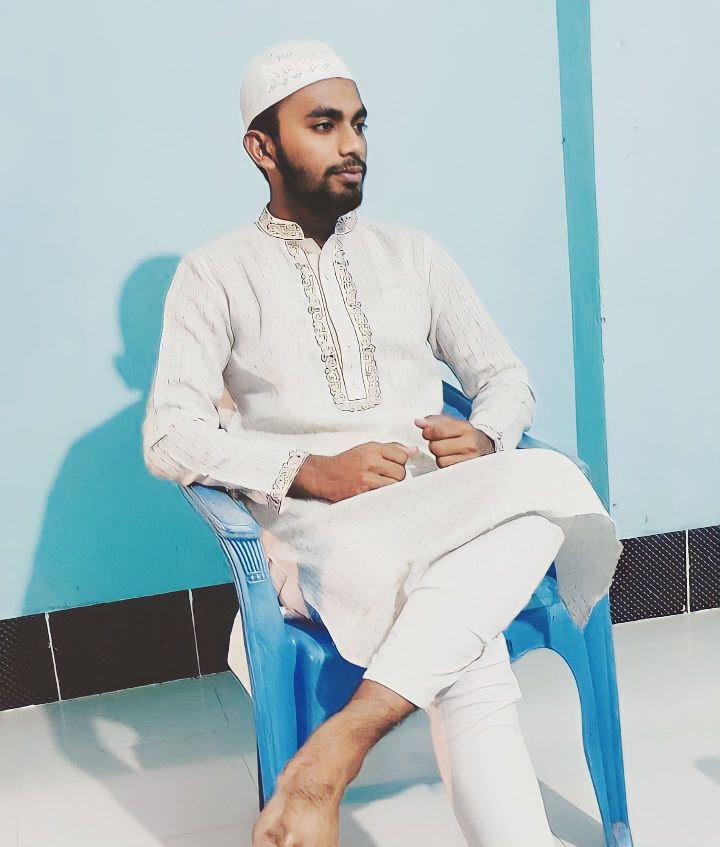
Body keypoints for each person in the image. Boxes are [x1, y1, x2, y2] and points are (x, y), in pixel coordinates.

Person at [142, 40, 622, 847]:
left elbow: (505, 377)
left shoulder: (413, 256)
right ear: (262, 148)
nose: (352, 144)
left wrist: (486, 432)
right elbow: (171, 434)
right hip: (322, 533)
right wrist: (308, 470)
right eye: (324, 124)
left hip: (440, 504)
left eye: (359, 124)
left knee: (547, 483)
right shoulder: (214, 274)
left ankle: (337, 746)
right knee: (470, 646)